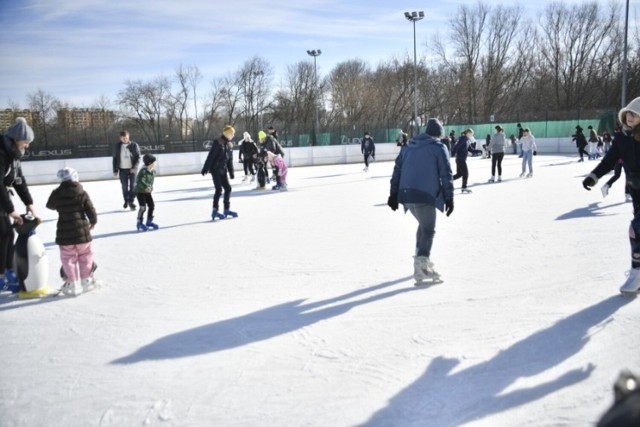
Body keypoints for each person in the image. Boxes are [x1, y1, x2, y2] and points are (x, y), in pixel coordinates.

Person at [582, 96, 640, 293]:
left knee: (637, 230)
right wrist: (594, 176)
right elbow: (609, 160)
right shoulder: (622, 138)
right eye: (628, 114)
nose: (631, 117)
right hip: (636, 190)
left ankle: (636, 272)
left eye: (636, 115)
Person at [388, 118, 454, 286]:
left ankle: (420, 258)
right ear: (439, 134)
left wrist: (393, 193)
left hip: (407, 195)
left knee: (423, 225)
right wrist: (449, 197)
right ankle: (421, 268)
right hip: (424, 195)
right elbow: (445, 173)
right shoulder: (439, 147)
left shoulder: (408, 146)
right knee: (429, 230)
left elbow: (397, 170)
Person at [46, 167, 98, 297]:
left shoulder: (57, 193)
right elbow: (90, 209)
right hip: (82, 232)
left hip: (65, 231)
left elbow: (50, 205)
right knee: (85, 254)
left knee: (68, 257)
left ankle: (71, 283)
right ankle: (87, 280)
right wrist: (93, 220)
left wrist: (59, 198)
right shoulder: (81, 192)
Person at [0, 118, 36, 292]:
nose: (27, 145)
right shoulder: (1, 153)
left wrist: (28, 203)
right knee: (3, 234)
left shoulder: (14, 155)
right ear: (15, 139)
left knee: (8, 235)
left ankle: (8, 270)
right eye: (26, 141)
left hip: (2, 197)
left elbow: (19, 181)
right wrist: (11, 210)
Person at [201, 125, 237, 220]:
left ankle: (226, 209)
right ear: (228, 133)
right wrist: (205, 168)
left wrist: (231, 172)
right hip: (215, 169)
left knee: (228, 188)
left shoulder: (229, 145)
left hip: (223, 170)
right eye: (232, 133)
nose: (233, 135)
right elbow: (211, 156)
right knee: (218, 190)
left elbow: (229, 160)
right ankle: (215, 210)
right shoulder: (218, 142)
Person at [112, 130, 140, 210]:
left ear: (129, 137)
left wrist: (134, 167)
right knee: (124, 186)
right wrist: (115, 170)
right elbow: (114, 158)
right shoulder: (117, 146)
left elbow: (138, 157)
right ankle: (126, 200)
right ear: (120, 138)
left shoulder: (134, 145)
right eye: (123, 138)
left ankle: (131, 201)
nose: (125, 139)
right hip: (122, 170)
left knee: (133, 186)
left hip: (132, 169)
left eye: (126, 138)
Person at [134, 154, 159, 231]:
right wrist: (146, 187)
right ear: (149, 163)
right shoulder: (143, 171)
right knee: (142, 207)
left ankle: (149, 221)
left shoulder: (152, 171)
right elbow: (140, 181)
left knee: (151, 205)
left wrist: (151, 188)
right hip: (140, 192)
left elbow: (151, 182)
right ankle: (139, 223)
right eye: (154, 162)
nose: (155, 164)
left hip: (147, 192)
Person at [452, 128, 473, 193]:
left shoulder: (467, 140)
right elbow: (457, 145)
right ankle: (464, 187)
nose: (471, 135)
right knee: (465, 174)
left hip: (461, 159)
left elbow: (470, 149)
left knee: (459, 174)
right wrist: (454, 152)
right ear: (467, 133)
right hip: (460, 159)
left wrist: (479, 151)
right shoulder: (463, 138)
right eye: (471, 134)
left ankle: (447, 180)